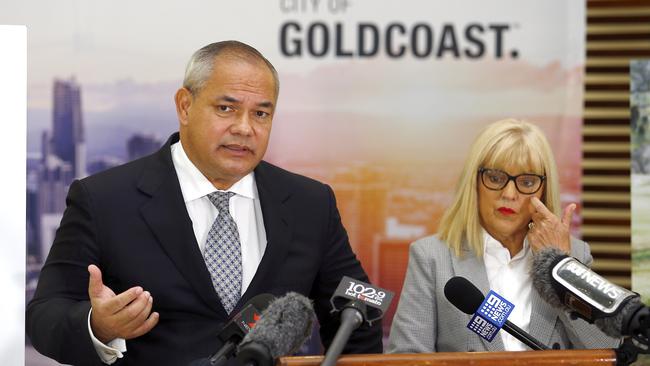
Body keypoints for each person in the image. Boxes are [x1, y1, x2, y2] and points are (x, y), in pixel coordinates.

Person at [26, 41, 382, 365]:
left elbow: (358, 312)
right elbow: (45, 315)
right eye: (226, 108)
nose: (245, 128)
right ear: (185, 105)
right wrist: (98, 325)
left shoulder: (310, 203)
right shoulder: (104, 198)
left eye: (261, 114)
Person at [387, 119, 620, 353]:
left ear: (543, 190)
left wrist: (560, 269)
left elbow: (607, 350)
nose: (509, 194)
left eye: (527, 182)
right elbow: (407, 356)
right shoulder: (432, 257)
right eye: (496, 178)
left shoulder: (574, 255)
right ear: (474, 183)